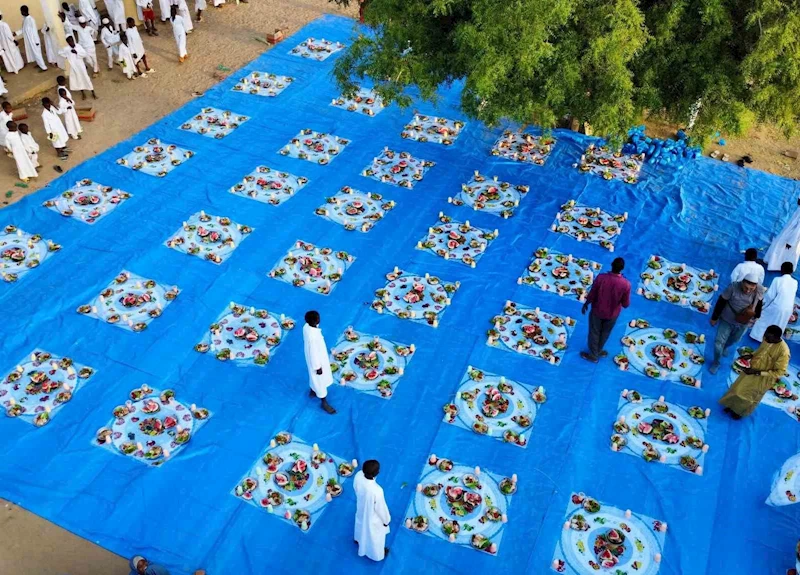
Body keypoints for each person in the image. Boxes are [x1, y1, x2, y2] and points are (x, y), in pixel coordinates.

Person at [719, 325, 790, 419]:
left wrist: (757, 372)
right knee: (737, 388)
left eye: (768, 337)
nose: (765, 339)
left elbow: (779, 372)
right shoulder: (768, 339)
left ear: (776, 338)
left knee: (749, 396)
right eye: (765, 336)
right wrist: (750, 355)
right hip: (751, 368)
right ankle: (730, 405)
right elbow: (761, 350)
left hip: (763, 378)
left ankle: (739, 412)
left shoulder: (784, 352)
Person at [709, 273, 765, 373]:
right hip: (727, 319)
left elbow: (759, 303)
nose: (748, 290)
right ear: (742, 282)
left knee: (734, 340)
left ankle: (725, 347)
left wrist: (757, 316)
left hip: (744, 322)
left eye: (751, 289)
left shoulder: (759, 290)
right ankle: (716, 362)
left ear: (755, 286)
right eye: (746, 287)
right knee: (718, 343)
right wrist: (714, 317)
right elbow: (721, 301)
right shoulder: (733, 287)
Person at [580, 257, 631, 363]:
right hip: (612, 314)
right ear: (622, 268)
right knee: (605, 333)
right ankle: (598, 350)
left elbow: (592, 293)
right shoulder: (626, 284)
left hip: (597, 310)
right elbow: (625, 304)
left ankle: (594, 355)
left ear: (611, 265)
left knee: (594, 332)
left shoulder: (601, 278)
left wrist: (586, 303)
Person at [353, 459, 391, 562]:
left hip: (361, 508)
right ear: (377, 473)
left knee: (360, 524)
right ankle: (376, 554)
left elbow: (356, 489)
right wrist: (386, 520)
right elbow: (380, 508)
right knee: (375, 535)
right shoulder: (377, 490)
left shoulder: (358, 476)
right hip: (372, 516)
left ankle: (358, 539)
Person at [750, 262, 798, 342]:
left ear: (781, 270)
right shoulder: (795, 282)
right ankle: (773, 340)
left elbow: (770, 296)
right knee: (779, 324)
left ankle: (757, 337)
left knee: (764, 319)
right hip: (788, 309)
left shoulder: (777, 280)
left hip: (777, 306)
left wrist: (762, 307)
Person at [303, 310, 336, 414]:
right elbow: (313, 353)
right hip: (317, 362)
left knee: (313, 377)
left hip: (314, 359)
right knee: (320, 380)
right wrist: (318, 367)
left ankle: (313, 389)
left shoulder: (306, 327)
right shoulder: (313, 337)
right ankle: (324, 402)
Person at [766, 198, 800, 271]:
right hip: (791, 234)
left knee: (782, 250)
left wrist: (791, 242)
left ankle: (775, 265)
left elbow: (798, 230)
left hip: (792, 237)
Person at [18, 6, 47, 71]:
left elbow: (34, 31)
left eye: (21, 11)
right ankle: (39, 64)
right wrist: (16, 33)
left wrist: (36, 41)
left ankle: (44, 67)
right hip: (30, 41)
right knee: (34, 53)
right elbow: (23, 29)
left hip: (34, 40)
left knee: (37, 54)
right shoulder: (25, 19)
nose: (21, 13)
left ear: (23, 11)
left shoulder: (31, 20)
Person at [129, 556, 205, 575]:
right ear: (136, 569)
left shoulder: (153, 569)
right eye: (140, 567)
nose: (144, 566)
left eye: (144, 563)